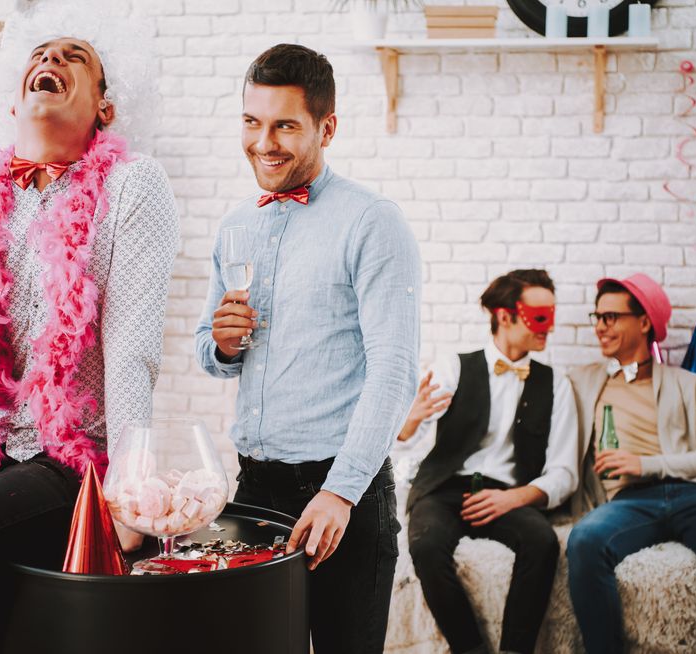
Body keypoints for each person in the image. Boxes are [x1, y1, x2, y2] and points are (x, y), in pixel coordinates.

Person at [0, 33, 178, 654]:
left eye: (75, 57)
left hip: (78, 463)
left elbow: (132, 352)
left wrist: (128, 493)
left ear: (104, 107)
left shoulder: (133, 187)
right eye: (40, 53)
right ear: (13, 101)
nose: (51, 60)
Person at [194, 43, 420, 653]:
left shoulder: (373, 222)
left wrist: (340, 492)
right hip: (252, 489)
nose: (263, 142)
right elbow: (208, 351)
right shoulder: (236, 224)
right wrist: (224, 344)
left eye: (285, 126)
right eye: (252, 121)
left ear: (327, 128)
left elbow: (395, 371)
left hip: (342, 490)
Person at [565, 273, 696, 654]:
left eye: (611, 317)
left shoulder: (690, 385)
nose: (600, 327)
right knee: (584, 540)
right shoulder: (580, 382)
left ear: (644, 322)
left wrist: (647, 463)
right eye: (597, 317)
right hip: (627, 500)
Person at [400, 269, 578, 654]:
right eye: (539, 317)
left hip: (509, 494)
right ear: (505, 316)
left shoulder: (557, 384)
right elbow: (406, 438)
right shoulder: (453, 367)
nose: (549, 327)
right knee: (426, 544)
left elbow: (564, 471)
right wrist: (410, 419)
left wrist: (514, 498)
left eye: (551, 315)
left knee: (543, 541)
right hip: (444, 488)